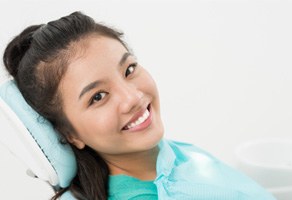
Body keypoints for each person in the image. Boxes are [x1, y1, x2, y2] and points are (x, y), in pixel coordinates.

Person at [3, 12, 276, 200]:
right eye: (98, 97)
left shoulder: (170, 158)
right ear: (69, 134)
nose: (132, 97)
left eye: (129, 69)